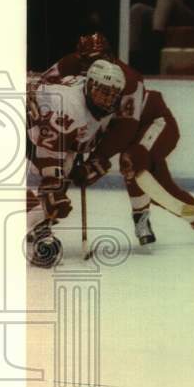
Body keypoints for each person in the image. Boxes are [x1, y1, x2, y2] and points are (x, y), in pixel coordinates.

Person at [72, 88, 194, 246]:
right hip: (134, 138)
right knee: (160, 189)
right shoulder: (79, 104)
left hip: (157, 123)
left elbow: (118, 137)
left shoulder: (120, 93)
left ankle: (141, 217)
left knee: (132, 160)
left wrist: (93, 165)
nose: (106, 97)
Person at [25, 60, 126, 267]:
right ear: (89, 85)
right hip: (12, 125)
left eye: (113, 94)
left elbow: (70, 146)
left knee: (60, 180)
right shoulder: (71, 105)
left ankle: (37, 224)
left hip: (37, 130)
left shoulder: (100, 109)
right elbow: (49, 152)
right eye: (103, 92)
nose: (108, 99)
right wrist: (53, 186)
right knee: (47, 188)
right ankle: (32, 224)